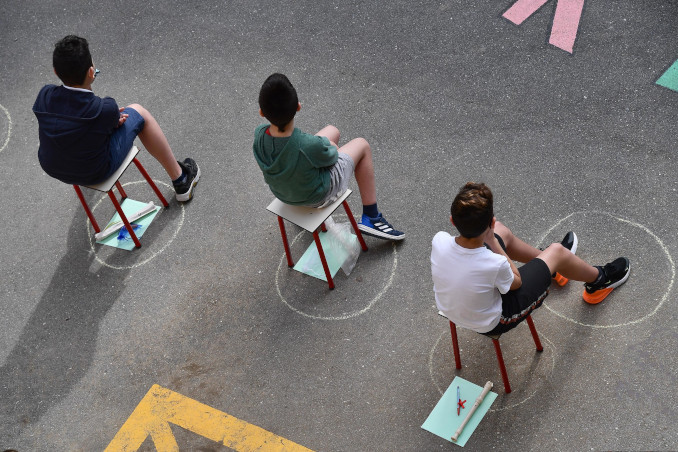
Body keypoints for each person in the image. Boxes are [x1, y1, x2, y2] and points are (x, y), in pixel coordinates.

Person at [431, 182, 630, 335]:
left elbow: (481, 249)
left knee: (503, 232)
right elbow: (516, 283)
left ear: (452, 221)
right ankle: (599, 281)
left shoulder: (439, 240)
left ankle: (554, 264)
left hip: (452, 309)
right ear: (489, 222)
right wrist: (493, 242)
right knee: (557, 250)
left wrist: (493, 236)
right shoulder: (494, 263)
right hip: (496, 321)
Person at [33, 35, 200, 201]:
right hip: (95, 171)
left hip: (53, 167)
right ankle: (181, 179)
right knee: (139, 112)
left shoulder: (44, 95)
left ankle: (182, 179)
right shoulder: (104, 108)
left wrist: (108, 120)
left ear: (56, 71)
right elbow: (109, 119)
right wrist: (112, 119)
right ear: (91, 72)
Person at [253, 73, 404, 240]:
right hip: (318, 197)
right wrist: (330, 147)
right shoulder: (308, 145)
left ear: (261, 112)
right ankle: (371, 217)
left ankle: (368, 217)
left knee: (333, 130)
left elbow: (304, 148)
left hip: (284, 194)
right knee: (362, 145)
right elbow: (331, 158)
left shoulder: (259, 136)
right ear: (298, 106)